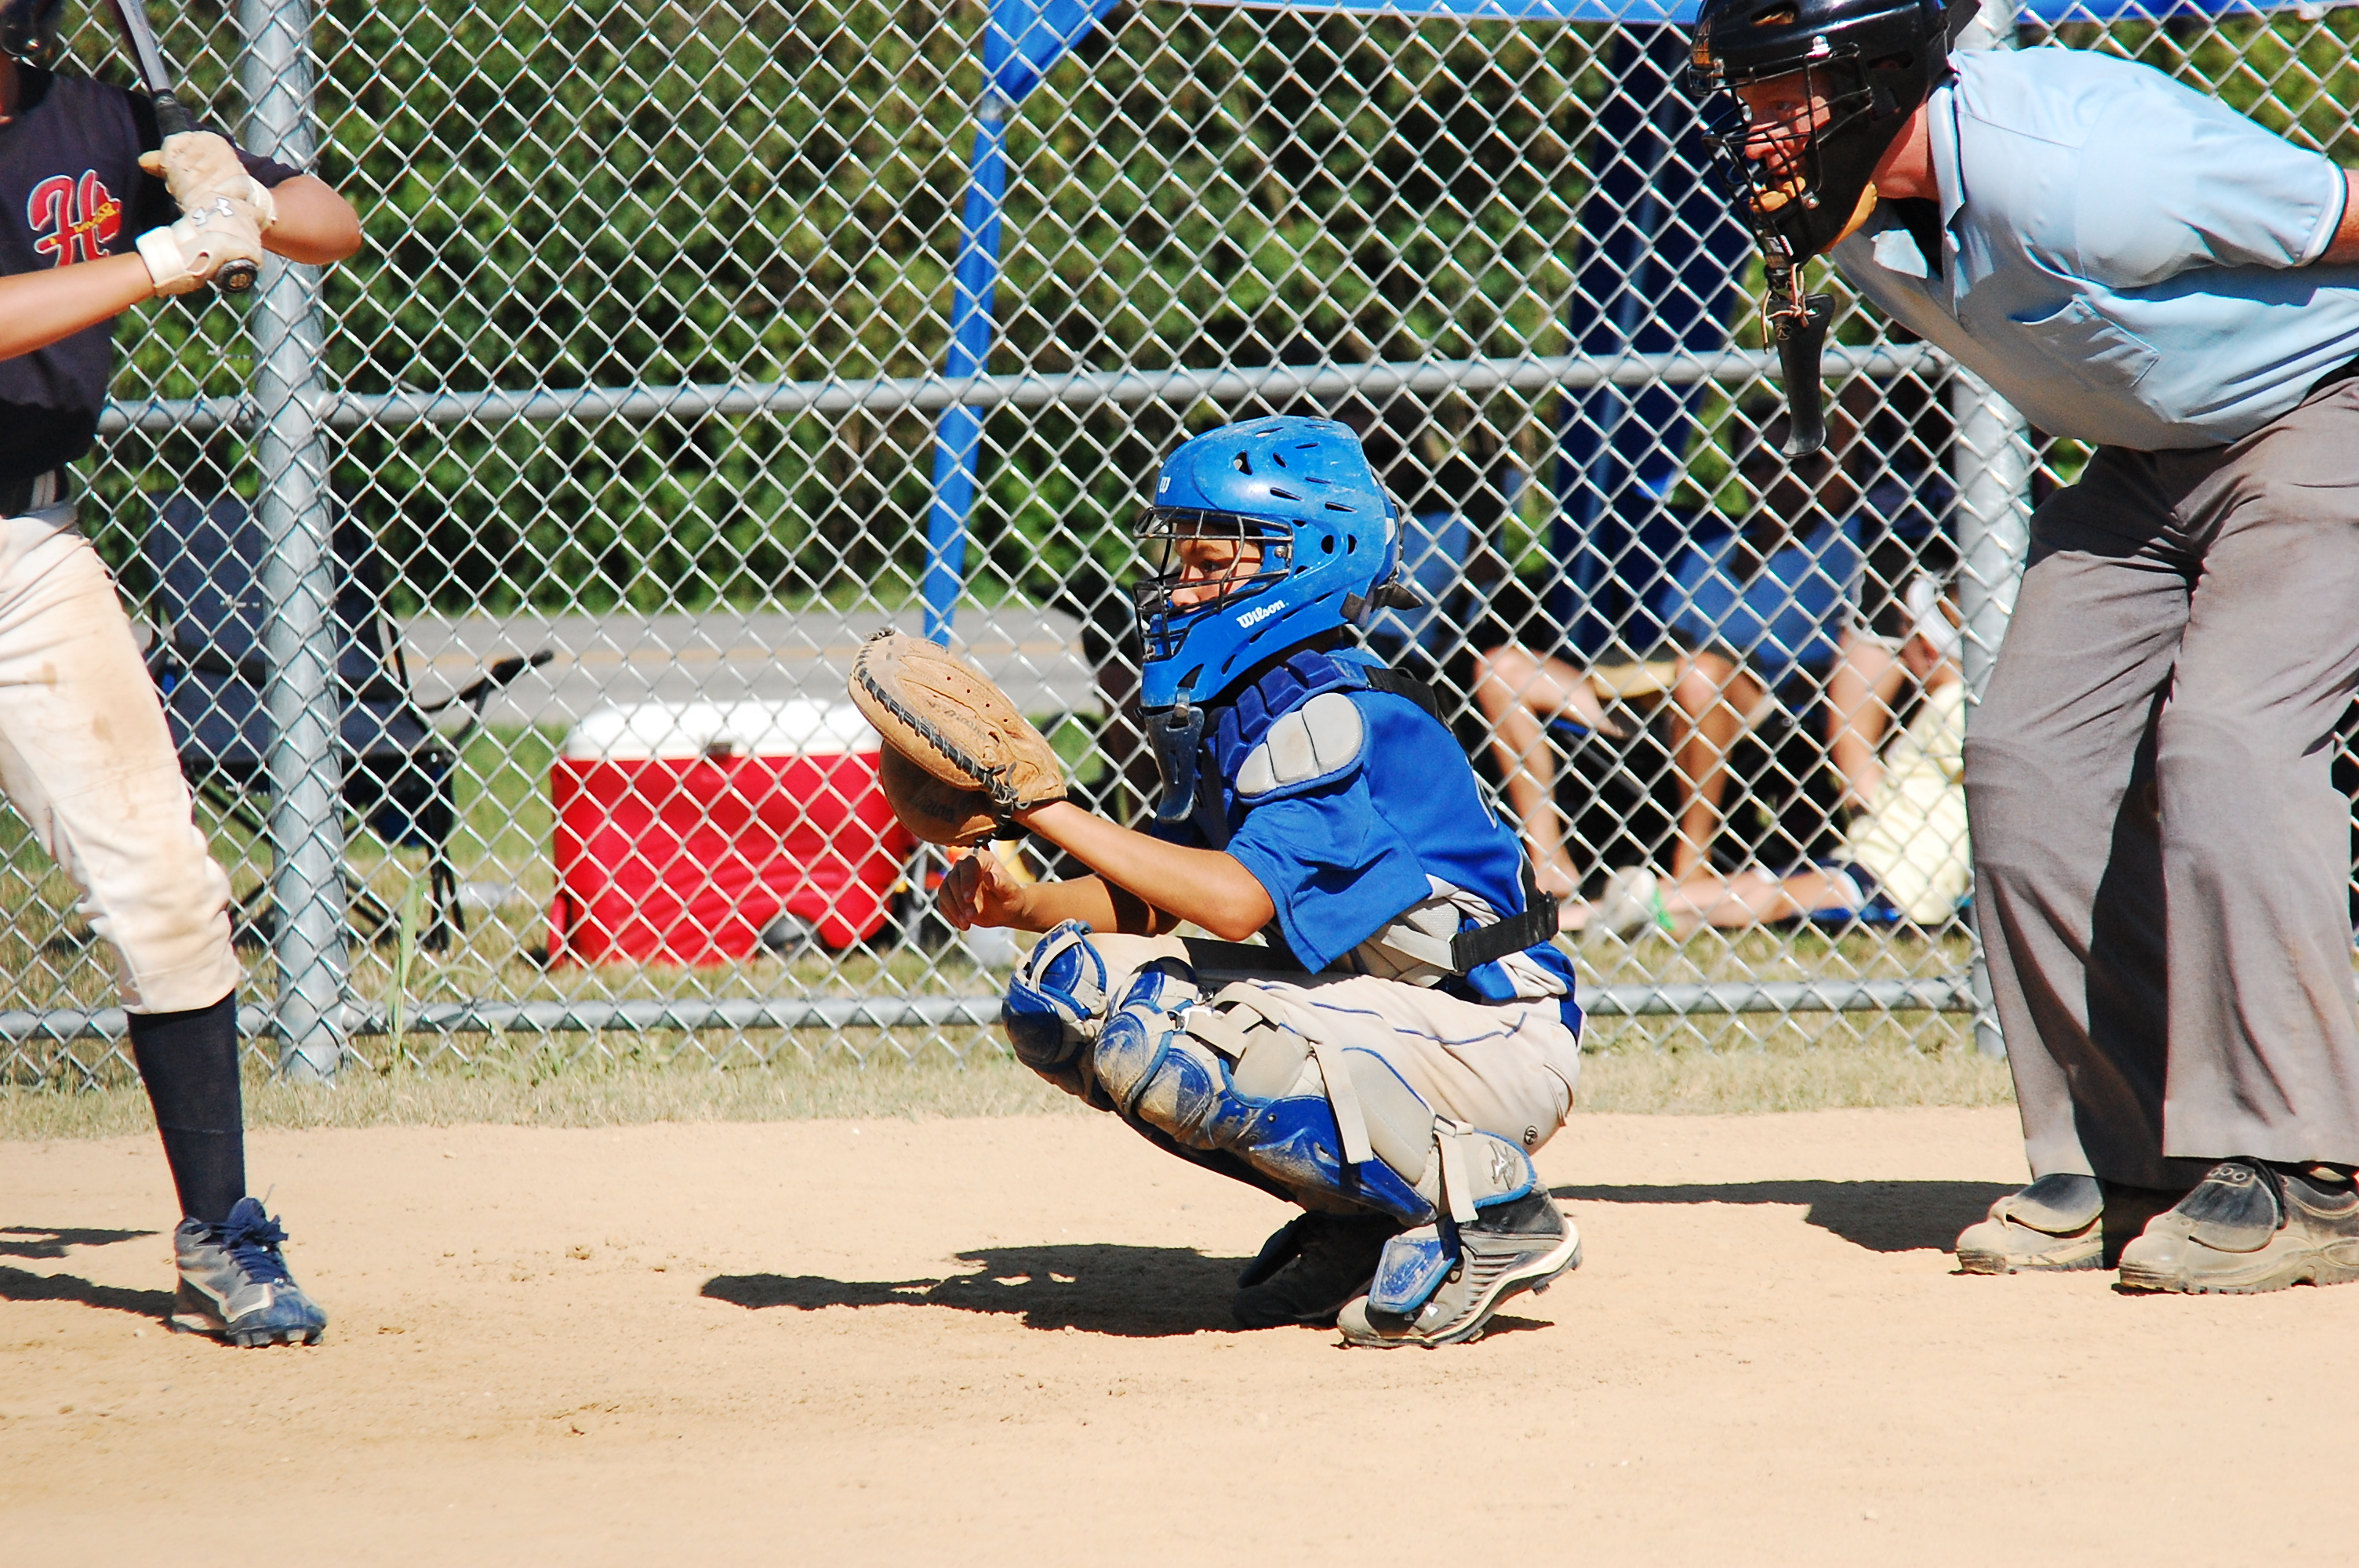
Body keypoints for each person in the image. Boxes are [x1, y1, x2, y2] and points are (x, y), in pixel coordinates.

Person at [1692, 0, 2359, 1291]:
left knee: (2228, 740)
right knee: (2027, 763)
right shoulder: (1838, 203)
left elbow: (2340, 213)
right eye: (1743, 97)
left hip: (2325, 410)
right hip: (2144, 461)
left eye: (1779, 94)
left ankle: (2309, 1171)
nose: (1752, 128)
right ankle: (2132, 1158)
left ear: (1882, 74)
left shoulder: (2088, 167)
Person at [938, 414, 1584, 1348]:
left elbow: (1234, 902)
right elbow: (1158, 893)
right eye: (1178, 557)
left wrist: (1042, 808)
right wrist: (1027, 902)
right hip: (1395, 1016)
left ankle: (1484, 1208)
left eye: (1210, 561)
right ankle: (1368, 1217)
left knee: (1165, 1026)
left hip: (1493, 1030)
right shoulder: (1247, 704)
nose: (1178, 583)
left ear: (1310, 563)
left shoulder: (1325, 707)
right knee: (1065, 996)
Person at [0, 0, 362, 1342]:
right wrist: (162, 258)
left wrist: (243, 196)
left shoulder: (97, 120)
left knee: (161, 885)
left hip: (24, 551)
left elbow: (333, 226)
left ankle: (223, 1231)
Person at [1474, 400, 1872, 910]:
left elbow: (1845, 660)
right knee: (1502, 668)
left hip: (1770, 704)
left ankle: (1692, 863)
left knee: (1701, 673)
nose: (1773, 475)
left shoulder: (1840, 546)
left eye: (1795, 461)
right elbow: (1670, 643)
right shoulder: (1710, 553)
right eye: (1756, 462)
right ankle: (1550, 861)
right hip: (1665, 699)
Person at [1598, 574, 1967, 935]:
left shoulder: (1957, 708)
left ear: (1930, 649)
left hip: (1902, 882)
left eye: (1908, 636)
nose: (1901, 651)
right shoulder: (1947, 705)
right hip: (1868, 859)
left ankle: (1664, 922)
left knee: (1773, 897)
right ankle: (1602, 914)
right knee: (1756, 883)